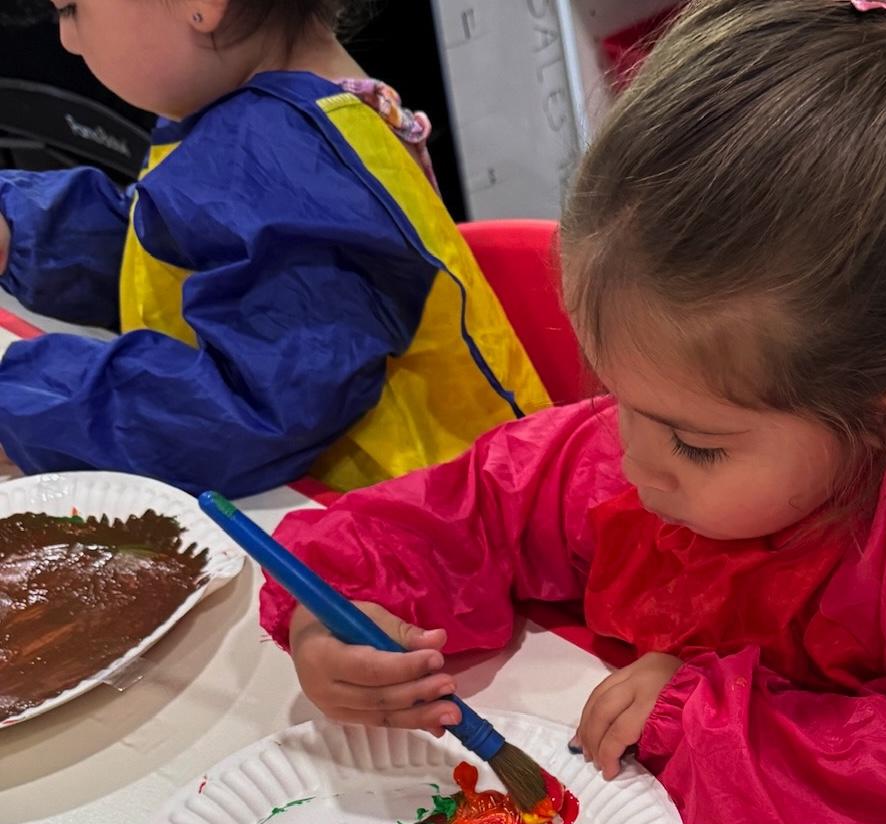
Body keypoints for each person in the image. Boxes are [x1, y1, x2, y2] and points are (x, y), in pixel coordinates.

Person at [261, 0, 886, 824]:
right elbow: (471, 510)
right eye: (621, 402)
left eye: (693, 443)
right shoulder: (663, 438)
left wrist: (707, 723)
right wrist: (334, 608)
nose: (633, 464)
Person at [0, 0, 548, 496]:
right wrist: (17, 231)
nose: (68, 41)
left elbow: (244, 414)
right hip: (338, 516)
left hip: (429, 553)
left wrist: (23, 404)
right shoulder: (266, 111)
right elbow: (165, 249)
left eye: (71, 10)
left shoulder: (287, 158)